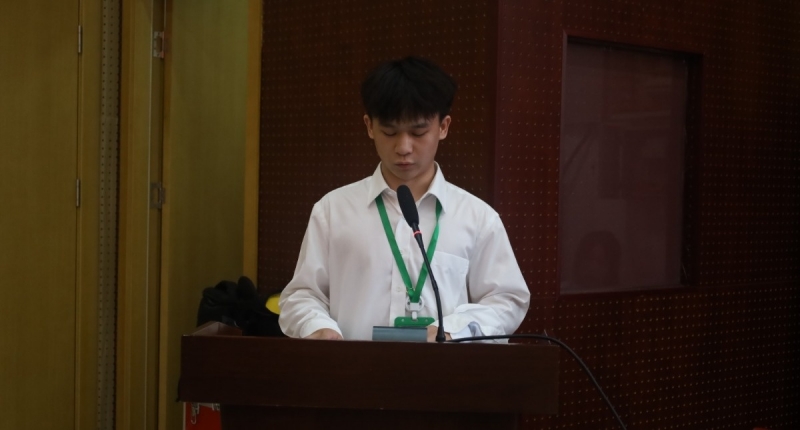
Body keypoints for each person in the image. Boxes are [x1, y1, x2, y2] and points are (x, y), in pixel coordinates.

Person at [278, 56, 530, 342]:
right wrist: (318, 327)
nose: (403, 147)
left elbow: (507, 300)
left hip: (444, 368)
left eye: (418, 132)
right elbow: (302, 295)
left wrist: (455, 329)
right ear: (369, 126)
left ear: (444, 127)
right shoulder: (332, 211)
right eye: (389, 132)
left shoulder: (478, 218)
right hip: (353, 368)